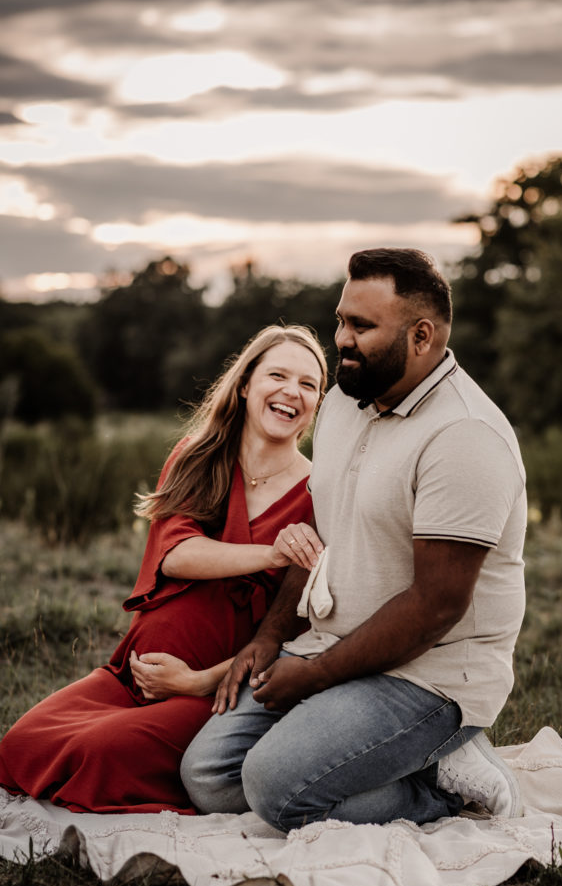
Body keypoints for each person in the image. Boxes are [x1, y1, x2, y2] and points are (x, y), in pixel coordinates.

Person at [179, 248, 527, 832]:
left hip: (431, 674)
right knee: (209, 776)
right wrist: (270, 637)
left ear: (421, 336)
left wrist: (314, 678)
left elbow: (436, 605)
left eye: (362, 326)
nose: (340, 338)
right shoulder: (344, 401)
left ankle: (439, 784)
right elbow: (320, 527)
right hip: (332, 641)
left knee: (272, 786)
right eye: (341, 320)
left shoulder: (465, 435)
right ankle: (406, 764)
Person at [0, 325, 328, 814]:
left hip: (215, 693)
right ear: (245, 384)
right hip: (130, 674)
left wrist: (194, 681)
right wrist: (274, 554)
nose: (290, 392)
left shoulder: (320, 493)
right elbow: (177, 553)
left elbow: (298, 635)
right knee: (20, 747)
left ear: (319, 403)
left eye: (308, 384)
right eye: (277, 375)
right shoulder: (198, 456)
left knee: (95, 755)